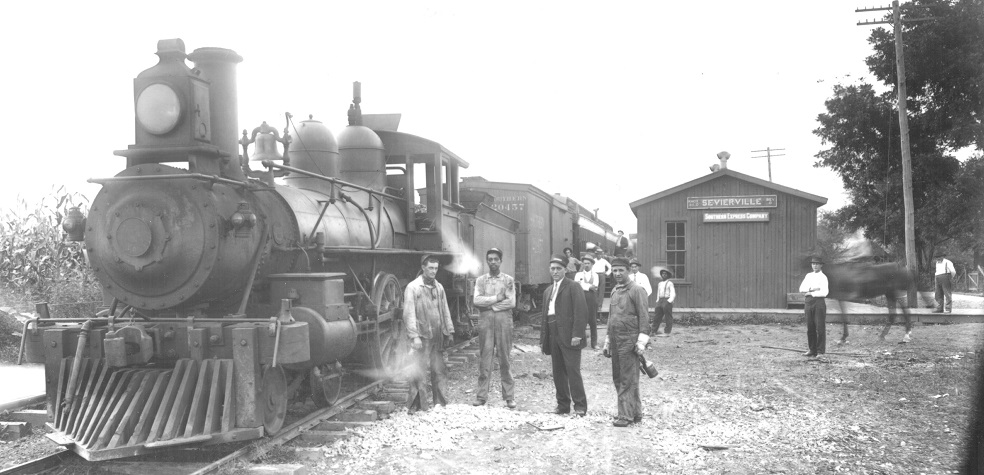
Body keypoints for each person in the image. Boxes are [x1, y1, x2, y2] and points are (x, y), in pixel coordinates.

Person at [403, 255, 456, 413]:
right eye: (431, 268)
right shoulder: (413, 288)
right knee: (419, 370)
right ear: (423, 267)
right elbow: (408, 314)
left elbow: (445, 310)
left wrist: (450, 331)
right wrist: (414, 336)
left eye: (436, 268)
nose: (433, 271)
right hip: (422, 335)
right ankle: (417, 405)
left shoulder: (439, 287)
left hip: (438, 336)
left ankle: (439, 402)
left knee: (439, 370)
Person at [603, 257, 651, 427]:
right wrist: (608, 341)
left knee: (627, 379)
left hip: (630, 341)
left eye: (620, 270)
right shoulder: (615, 291)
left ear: (628, 270)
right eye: (614, 270)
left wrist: (641, 342)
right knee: (619, 377)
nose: (617, 274)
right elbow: (611, 317)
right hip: (616, 340)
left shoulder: (637, 290)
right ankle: (635, 413)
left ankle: (625, 416)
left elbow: (644, 317)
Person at [540, 254, 589, 416]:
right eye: (552, 269)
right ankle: (562, 405)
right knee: (558, 371)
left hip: (569, 334)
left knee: (572, 370)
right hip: (553, 333)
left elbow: (580, 312)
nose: (555, 272)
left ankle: (580, 406)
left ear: (565, 270)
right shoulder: (548, 291)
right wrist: (543, 339)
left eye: (558, 269)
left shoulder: (573, 286)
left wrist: (577, 335)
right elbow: (544, 317)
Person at [472, 248, 517, 408]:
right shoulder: (480, 281)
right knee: (485, 359)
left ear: (500, 261)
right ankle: (481, 396)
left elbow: (511, 303)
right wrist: (497, 299)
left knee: (504, 358)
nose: (492, 262)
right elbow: (476, 301)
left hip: (503, 322)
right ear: (487, 261)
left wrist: (491, 306)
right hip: (485, 323)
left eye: (495, 259)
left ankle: (509, 397)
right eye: (490, 259)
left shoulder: (508, 280)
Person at [799, 256, 829, 357]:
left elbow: (824, 292)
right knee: (810, 327)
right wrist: (813, 289)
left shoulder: (823, 277)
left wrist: (811, 293)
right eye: (813, 264)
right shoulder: (808, 276)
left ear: (821, 265)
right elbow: (801, 288)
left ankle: (820, 351)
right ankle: (812, 349)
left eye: (817, 264)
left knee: (820, 328)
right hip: (808, 303)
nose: (815, 265)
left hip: (818, 303)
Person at [574, 254, 600, 349]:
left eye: (588, 263)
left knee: (593, 321)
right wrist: (589, 286)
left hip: (592, 299)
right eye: (585, 263)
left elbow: (595, 287)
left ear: (592, 264)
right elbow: (577, 286)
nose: (586, 265)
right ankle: (582, 342)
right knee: (582, 320)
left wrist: (583, 285)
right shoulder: (578, 274)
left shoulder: (596, 275)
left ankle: (594, 343)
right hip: (581, 298)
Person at [652, 268, 675, 336]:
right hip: (660, 300)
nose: (663, 275)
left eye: (665, 274)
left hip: (667, 300)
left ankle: (667, 332)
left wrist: (669, 301)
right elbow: (658, 293)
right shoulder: (660, 283)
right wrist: (657, 300)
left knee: (668, 317)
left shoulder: (670, 283)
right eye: (662, 274)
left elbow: (673, 293)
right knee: (657, 316)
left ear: (668, 275)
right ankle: (653, 331)